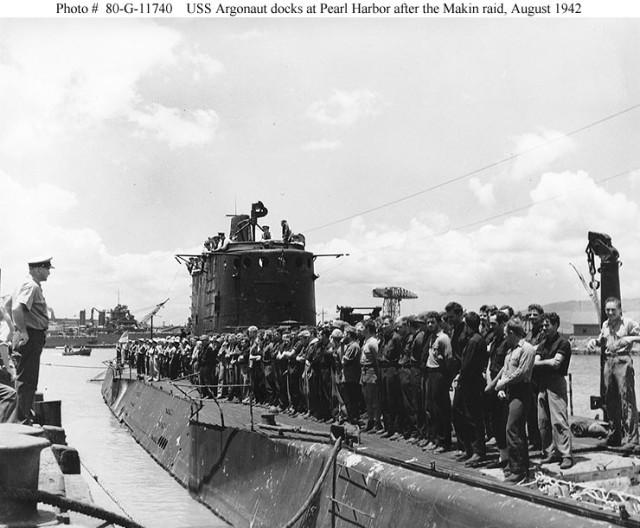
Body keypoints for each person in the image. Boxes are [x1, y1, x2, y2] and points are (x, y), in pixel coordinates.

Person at [588, 297, 640, 451]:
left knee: (627, 400)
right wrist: (595, 342)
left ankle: (632, 439)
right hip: (608, 362)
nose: (610, 313)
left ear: (620, 310)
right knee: (610, 399)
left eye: (613, 310)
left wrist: (629, 338)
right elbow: (602, 340)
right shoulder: (605, 324)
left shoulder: (628, 323)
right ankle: (615, 435)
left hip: (623, 361)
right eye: (607, 310)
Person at [11, 256, 53, 424]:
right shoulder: (32, 286)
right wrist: (23, 332)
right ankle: (21, 421)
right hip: (31, 336)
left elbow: (8, 307)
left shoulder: (23, 284)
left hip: (29, 335)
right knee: (28, 381)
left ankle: (21, 415)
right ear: (38, 269)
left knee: (24, 379)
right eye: (47, 269)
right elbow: (15, 309)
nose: (49, 272)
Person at [496, 318, 536, 483]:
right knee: (515, 430)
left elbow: (522, 372)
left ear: (512, 333)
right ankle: (520, 467)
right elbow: (506, 370)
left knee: (513, 428)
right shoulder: (509, 351)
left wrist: (503, 383)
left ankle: (517, 470)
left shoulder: (527, 349)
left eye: (505, 334)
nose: (504, 337)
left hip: (522, 390)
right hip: (511, 391)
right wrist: (502, 389)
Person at [535, 312, 573, 469]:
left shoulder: (563, 343)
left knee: (559, 420)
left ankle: (565, 454)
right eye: (543, 325)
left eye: (547, 324)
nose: (544, 327)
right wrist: (546, 362)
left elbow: (556, 364)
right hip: (543, 383)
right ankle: (550, 452)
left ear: (556, 325)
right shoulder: (543, 343)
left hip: (556, 382)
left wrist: (540, 363)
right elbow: (538, 362)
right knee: (543, 420)